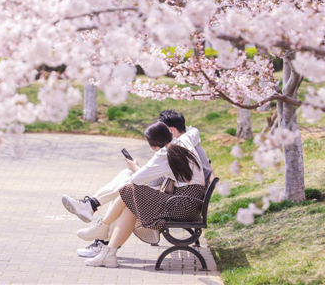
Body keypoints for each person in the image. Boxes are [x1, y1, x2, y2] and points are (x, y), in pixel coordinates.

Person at [62, 110, 213, 257]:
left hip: (180, 206)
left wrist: (135, 167)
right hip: (188, 203)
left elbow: (136, 181)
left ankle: (100, 226)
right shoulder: (186, 140)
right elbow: (193, 131)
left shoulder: (165, 154)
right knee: (128, 193)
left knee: (129, 189)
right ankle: (107, 249)